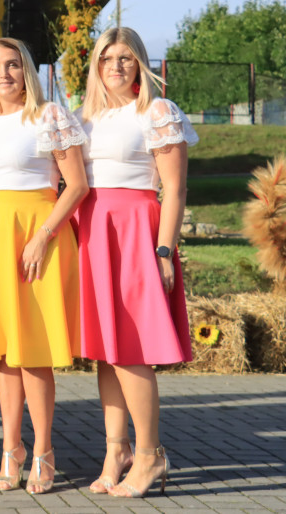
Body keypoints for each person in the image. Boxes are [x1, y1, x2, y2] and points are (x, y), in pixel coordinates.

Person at [0, 38, 88, 494]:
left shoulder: (50, 115)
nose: (3, 74)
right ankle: (10, 450)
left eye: (12, 65)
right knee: (4, 352)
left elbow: (76, 185)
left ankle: (43, 452)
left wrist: (43, 236)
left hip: (39, 235)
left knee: (32, 351)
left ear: (27, 71)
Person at [76, 27, 197, 498]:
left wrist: (163, 249)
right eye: (107, 57)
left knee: (130, 349)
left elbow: (175, 189)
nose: (116, 65)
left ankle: (150, 455)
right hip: (94, 236)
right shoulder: (86, 117)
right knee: (107, 353)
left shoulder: (158, 111)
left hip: (134, 234)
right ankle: (117, 450)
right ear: (96, 65)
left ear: (140, 63)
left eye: (126, 57)